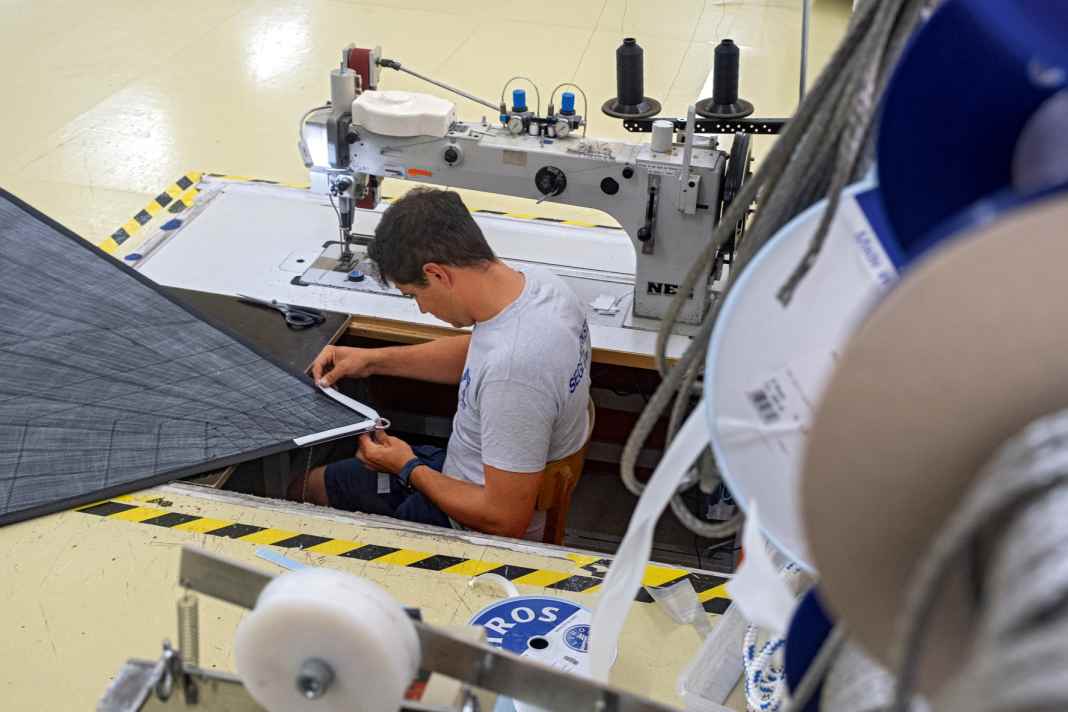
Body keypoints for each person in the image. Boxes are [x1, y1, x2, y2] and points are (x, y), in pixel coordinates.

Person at [292, 187, 591, 541]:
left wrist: (407, 467)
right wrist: (370, 360)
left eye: (415, 295)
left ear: (437, 274)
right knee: (310, 487)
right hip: (463, 472)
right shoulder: (541, 289)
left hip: (470, 526)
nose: (421, 308)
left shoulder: (515, 373)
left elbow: (505, 519)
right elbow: (481, 354)